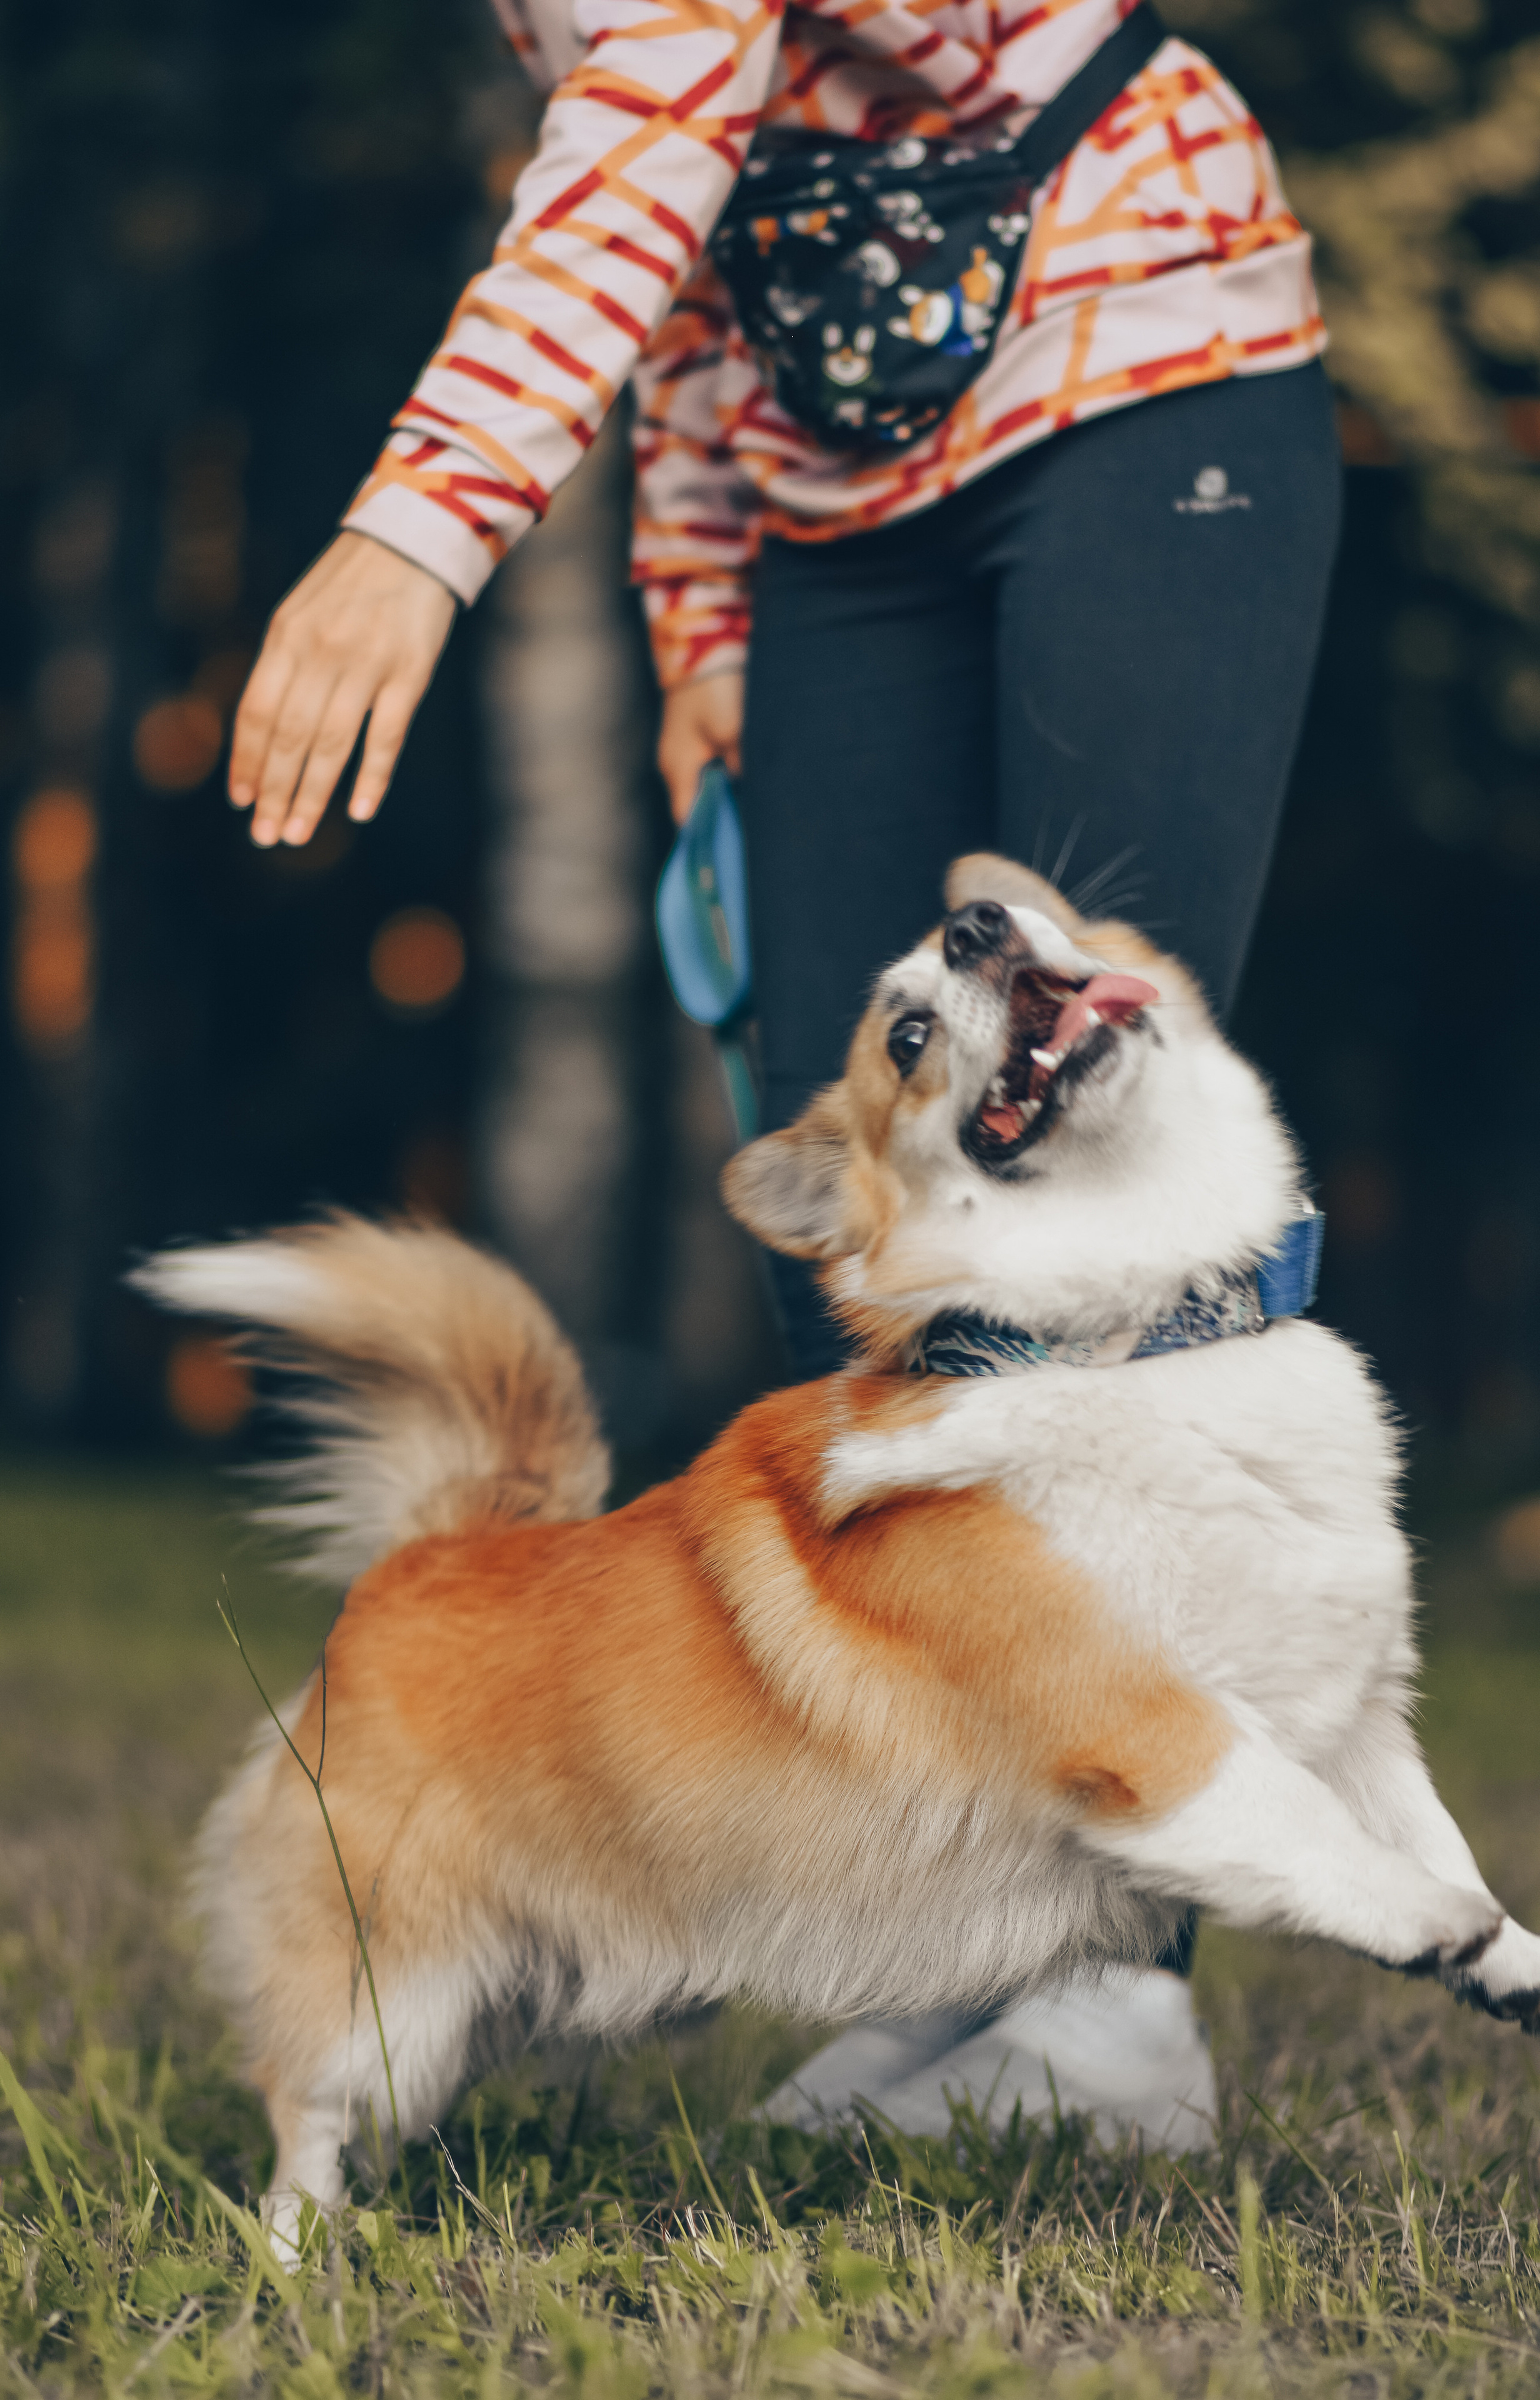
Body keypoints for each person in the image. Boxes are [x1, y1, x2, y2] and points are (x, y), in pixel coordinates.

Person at [226, 0, 1341, 2150]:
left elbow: (645, 123)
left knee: (1076, 1141)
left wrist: (414, 533)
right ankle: (962, 1940)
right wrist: (705, 627)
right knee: (864, 1190)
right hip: (843, 481)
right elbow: (694, 238)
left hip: (1133, 356)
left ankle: (1116, 2000)